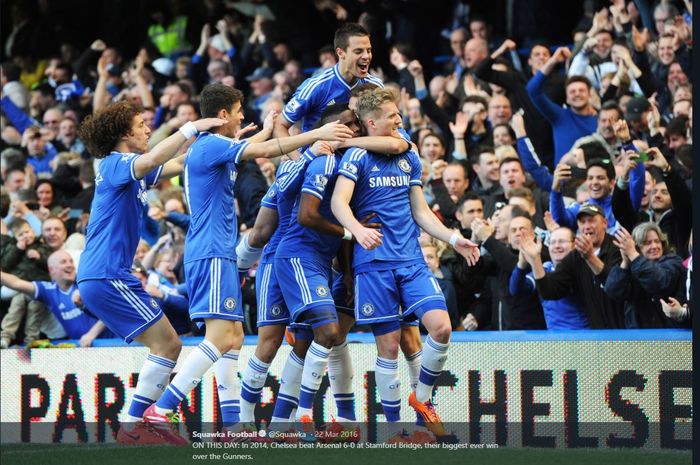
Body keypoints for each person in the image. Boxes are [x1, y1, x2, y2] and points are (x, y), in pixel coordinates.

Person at [142, 84, 353, 439]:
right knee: (221, 337)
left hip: (215, 251)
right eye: (238, 110)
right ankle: (161, 408)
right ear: (222, 115)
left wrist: (262, 134)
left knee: (235, 338)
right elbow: (268, 151)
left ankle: (236, 426)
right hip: (211, 252)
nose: (243, 115)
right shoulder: (212, 145)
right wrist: (316, 133)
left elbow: (255, 149)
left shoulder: (212, 147)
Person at [331, 88, 480, 441]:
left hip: (411, 259)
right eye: (392, 117)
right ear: (371, 123)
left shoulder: (407, 154)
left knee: (441, 328)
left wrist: (453, 239)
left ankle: (422, 399)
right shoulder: (356, 159)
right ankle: (396, 430)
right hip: (374, 263)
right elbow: (339, 202)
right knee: (389, 345)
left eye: (399, 114)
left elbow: (421, 211)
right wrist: (357, 230)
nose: (400, 120)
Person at [76, 100, 226, 445]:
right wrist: (190, 128)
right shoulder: (114, 163)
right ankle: (133, 425)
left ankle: (135, 424)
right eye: (142, 124)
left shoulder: (128, 167)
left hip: (106, 274)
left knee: (167, 345)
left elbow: (176, 164)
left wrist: (226, 146)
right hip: (107, 274)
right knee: (169, 344)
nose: (147, 129)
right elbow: (155, 158)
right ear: (125, 133)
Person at [521, 203, 625, 329]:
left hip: (627, 331)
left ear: (605, 223)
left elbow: (618, 287)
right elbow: (549, 291)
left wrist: (590, 258)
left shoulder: (619, 247)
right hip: (596, 335)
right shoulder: (575, 256)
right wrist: (535, 260)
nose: (586, 226)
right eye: (582, 222)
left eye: (591, 221)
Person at [274, 22, 383, 138]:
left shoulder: (375, 86)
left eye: (369, 50)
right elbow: (280, 125)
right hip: (321, 153)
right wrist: (299, 156)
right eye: (358, 51)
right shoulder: (316, 86)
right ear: (341, 53)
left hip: (362, 152)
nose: (366, 56)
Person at [1, 250, 113, 346]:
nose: (70, 265)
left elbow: (111, 311)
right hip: (82, 347)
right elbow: (16, 283)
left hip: (113, 343)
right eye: (63, 262)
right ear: (51, 270)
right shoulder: (48, 290)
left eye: (71, 261)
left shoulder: (86, 282)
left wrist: (91, 334)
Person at [605, 223, 687, 328]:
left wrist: (633, 255)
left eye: (657, 241)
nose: (654, 246)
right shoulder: (632, 266)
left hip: (669, 336)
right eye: (648, 243)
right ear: (637, 247)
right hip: (638, 337)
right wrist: (625, 263)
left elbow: (658, 282)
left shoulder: (673, 261)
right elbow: (612, 291)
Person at [510, 227, 589, 329]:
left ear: (574, 245)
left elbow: (553, 287)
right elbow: (515, 290)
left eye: (562, 241)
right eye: (552, 242)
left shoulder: (581, 268)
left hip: (583, 338)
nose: (556, 246)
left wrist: (535, 259)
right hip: (552, 339)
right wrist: (521, 263)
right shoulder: (545, 268)